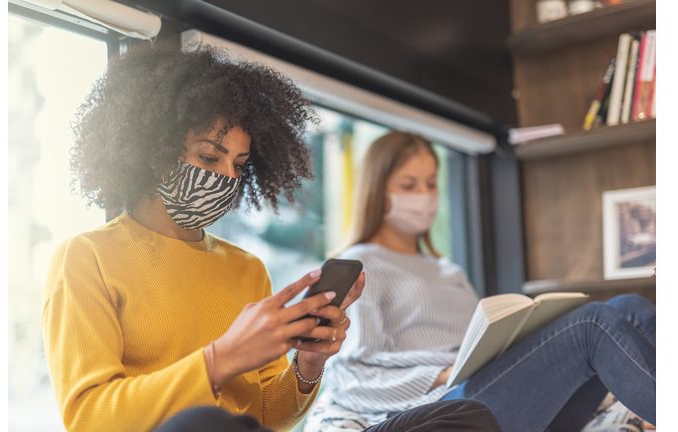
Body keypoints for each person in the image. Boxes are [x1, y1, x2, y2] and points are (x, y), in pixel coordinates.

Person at [41, 41, 501, 432]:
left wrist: (308, 366)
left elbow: (269, 418)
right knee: (202, 424)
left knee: (464, 416)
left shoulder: (245, 268)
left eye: (239, 166)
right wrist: (222, 358)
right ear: (154, 152)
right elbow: (88, 418)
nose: (226, 177)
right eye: (209, 156)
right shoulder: (86, 259)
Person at [307, 131, 656, 432]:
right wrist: (444, 374)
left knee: (630, 307)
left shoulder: (450, 271)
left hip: (497, 391)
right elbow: (350, 378)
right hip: (450, 407)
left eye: (431, 184)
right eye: (408, 185)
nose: (424, 195)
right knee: (592, 323)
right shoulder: (365, 263)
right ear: (377, 190)